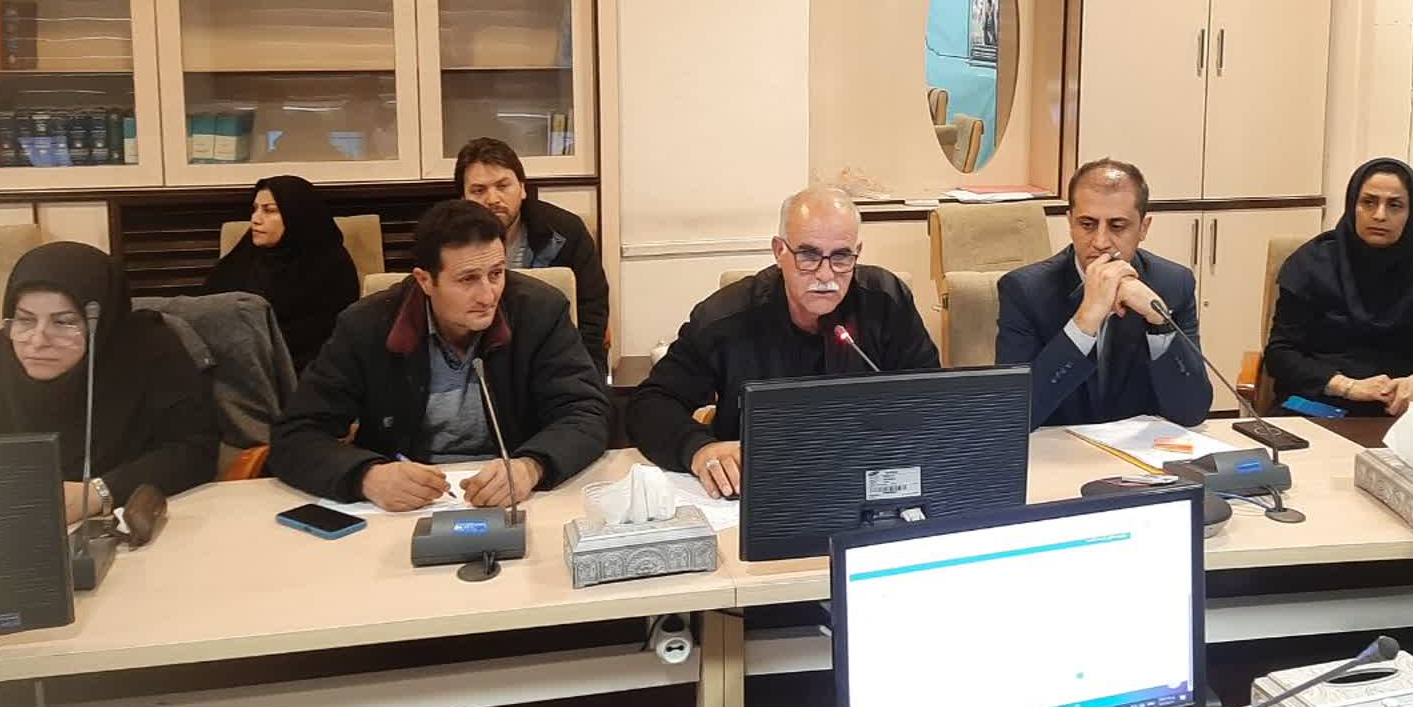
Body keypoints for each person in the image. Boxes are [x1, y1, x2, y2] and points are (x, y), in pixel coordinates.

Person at [268, 200, 609, 511]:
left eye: (496, 274)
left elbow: (587, 412)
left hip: (514, 496)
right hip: (405, 503)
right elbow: (295, 436)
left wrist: (531, 466)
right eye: (468, 279)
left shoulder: (539, 311)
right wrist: (366, 477)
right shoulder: (366, 326)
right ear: (425, 281)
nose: (488, 295)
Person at [627, 187, 939, 499]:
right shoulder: (726, 317)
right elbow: (651, 404)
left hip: (867, 482)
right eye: (808, 256)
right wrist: (699, 449)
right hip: (762, 488)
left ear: (857, 252)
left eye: (841, 257)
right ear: (779, 251)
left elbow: (933, 400)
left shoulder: (886, 302)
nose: (825, 274)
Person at [0, 242, 217, 523]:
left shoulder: (150, 352)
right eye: (25, 320)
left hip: (131, 526)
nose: (38, 340)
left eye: (63, 322)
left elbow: (196, 452)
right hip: (9, 528)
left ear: (102, 322)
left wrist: (99, 493)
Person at [996, 159, 1209, 428]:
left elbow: (1192, 412)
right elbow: (1013, 416)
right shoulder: (1025, 291)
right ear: (1070, 222)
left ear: (1143, 228)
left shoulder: (1173, 284)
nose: (1100, 242)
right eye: (1087, 224)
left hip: (1139, 450)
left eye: (1117, 226)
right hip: (1056, 448)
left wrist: (1160, 324)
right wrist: (1084, 322)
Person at [1264, 159, 1413, 418]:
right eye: (1368, 202)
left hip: (1406, 413)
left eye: (1395, 205)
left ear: (1412, 212)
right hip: (1321, 405)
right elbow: (1280, 353)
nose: (1380, 215)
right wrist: (1346, 386)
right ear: (1352, 206)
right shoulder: (1312, 263)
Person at [455, 137, 610, 380]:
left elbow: (592, 312)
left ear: (523, 188)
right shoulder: (447, 243)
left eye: (503, 186)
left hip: (556, 357)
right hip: (477, 362)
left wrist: (585, 377)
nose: (492, 199)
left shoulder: (566, 232)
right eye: (478, 190)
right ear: (463, 198)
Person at [201, 175, 359, 373]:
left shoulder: (331, 264)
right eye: (255, 209)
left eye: (269, 210)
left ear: (296, 215)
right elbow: (207, 309)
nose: (255, 219)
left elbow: (329, 336)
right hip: (234, 365)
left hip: (307, 372)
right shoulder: (245, 256)